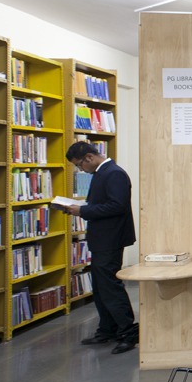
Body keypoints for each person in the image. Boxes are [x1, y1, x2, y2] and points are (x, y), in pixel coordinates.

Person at [60, 141, 138, 354]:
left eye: (79, 165)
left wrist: (82, 211)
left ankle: (128, 332)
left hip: (111, 239)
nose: (80, 169)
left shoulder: (114, 174)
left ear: (89, 158)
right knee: (101, 287)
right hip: (102, 238)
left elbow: (117, 206)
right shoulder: (102, 173)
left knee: (110, 286)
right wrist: (80, 208)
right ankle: (107, 329)